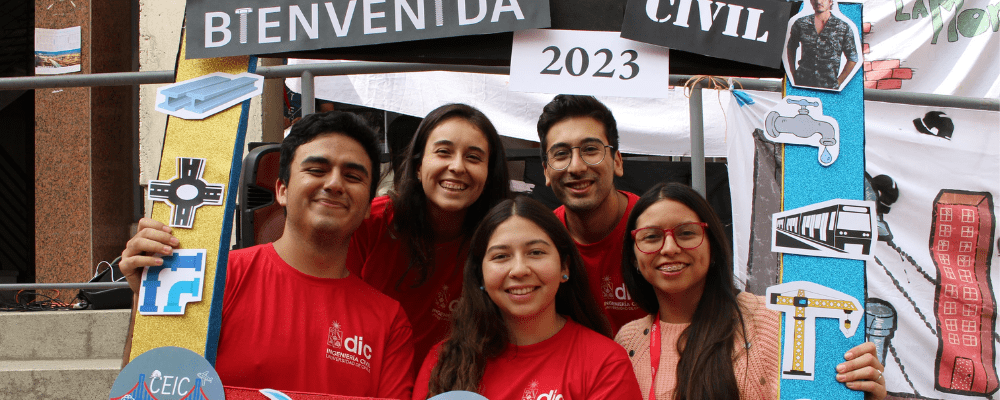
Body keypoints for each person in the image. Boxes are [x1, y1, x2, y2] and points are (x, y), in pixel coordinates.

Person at [119, 111, 414, 398]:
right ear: (282, 190)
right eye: (316, 170)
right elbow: (147, 386)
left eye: (352, 176)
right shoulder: (215, 279)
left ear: (368, 207)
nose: (334, 184)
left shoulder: (389, 322)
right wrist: (144, 300)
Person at [615, 182, 887, 400]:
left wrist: (864, 393)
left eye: (686, 233)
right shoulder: (628, 342)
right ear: (633, 257)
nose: (669, 248)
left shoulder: (774, 320)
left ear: (713, 246)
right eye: (651, 237)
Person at [413, 196, 642, 399]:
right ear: (480, 274)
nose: (519, 270)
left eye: (535, 252)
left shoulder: (605, 362)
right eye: (501, 256)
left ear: (565, 266)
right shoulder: (443, 362)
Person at [348, 103, 512, 370]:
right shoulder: (371, 223)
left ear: (489, 173)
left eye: (473, 157)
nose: (457, 167)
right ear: (418, 165)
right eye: (443, 152)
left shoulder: (503, 240)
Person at [536, 94, 645, 334]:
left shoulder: (655, 230)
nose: (576, 167)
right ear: (546, 171)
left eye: (590, 149)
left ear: (617, 161)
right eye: (561, 154)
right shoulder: (541, 240)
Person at [786, 0, 859, 89]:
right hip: (802, 82)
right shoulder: (800, 23)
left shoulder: (843, 27)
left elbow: (853, 58)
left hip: (828, 86)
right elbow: (791, 47)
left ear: (830, 1)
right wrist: (793, 73)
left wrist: (838, 83)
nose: (818, 1)